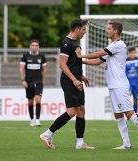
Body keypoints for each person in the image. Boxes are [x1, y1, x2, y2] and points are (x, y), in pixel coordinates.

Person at [76, 22, 138, 150]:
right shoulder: (112, 46)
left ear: (115, 31)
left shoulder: (118, 45)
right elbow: (98, 61)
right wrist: (80, 60)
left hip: (120, 85)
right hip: (113, 86)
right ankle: (126, 144)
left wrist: (81, 55)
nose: (106, 31)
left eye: (109, 29)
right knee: (118, 114)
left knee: (129, 113)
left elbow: (98, 54)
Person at [40, 19, 94, 150]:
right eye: (83, 29)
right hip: (69, 81)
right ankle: (47, 134)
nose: (85, 32)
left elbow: (72, 63)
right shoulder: (66, 43)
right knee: (73, 111)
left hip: (76, 80)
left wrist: (80, 76)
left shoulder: (75, 43)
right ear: (76, 29)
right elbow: (62, 64)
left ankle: (80, 143)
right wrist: (74, 80)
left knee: (79, 110)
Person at [20, 39, 46, 127]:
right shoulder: (25, 56)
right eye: (33, 45)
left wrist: (43, 81)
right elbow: (21, 68)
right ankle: (32, 120)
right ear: (30, 46)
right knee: (30, 101)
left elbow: (43, 70)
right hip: (28, 82)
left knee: (38, 99)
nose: (34, 47)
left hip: (38, 82)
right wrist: (23, 80)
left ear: (38, 47)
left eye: (36, 45)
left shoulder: (42, 57)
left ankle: (38, 120)